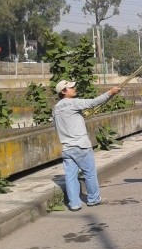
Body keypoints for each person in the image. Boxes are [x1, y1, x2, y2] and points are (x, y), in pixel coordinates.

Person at [52, 80, 122, 211]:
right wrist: (110, 93)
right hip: (81, 146)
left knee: (70, 177)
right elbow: (92, 102)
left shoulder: (56, 109)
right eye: (71, 88)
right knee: (89, 173)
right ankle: (94, 199)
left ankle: (74, 204)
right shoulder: (73, 103)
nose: (74, 88)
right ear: (63, 92)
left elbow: (57, 127)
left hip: (67, 148)